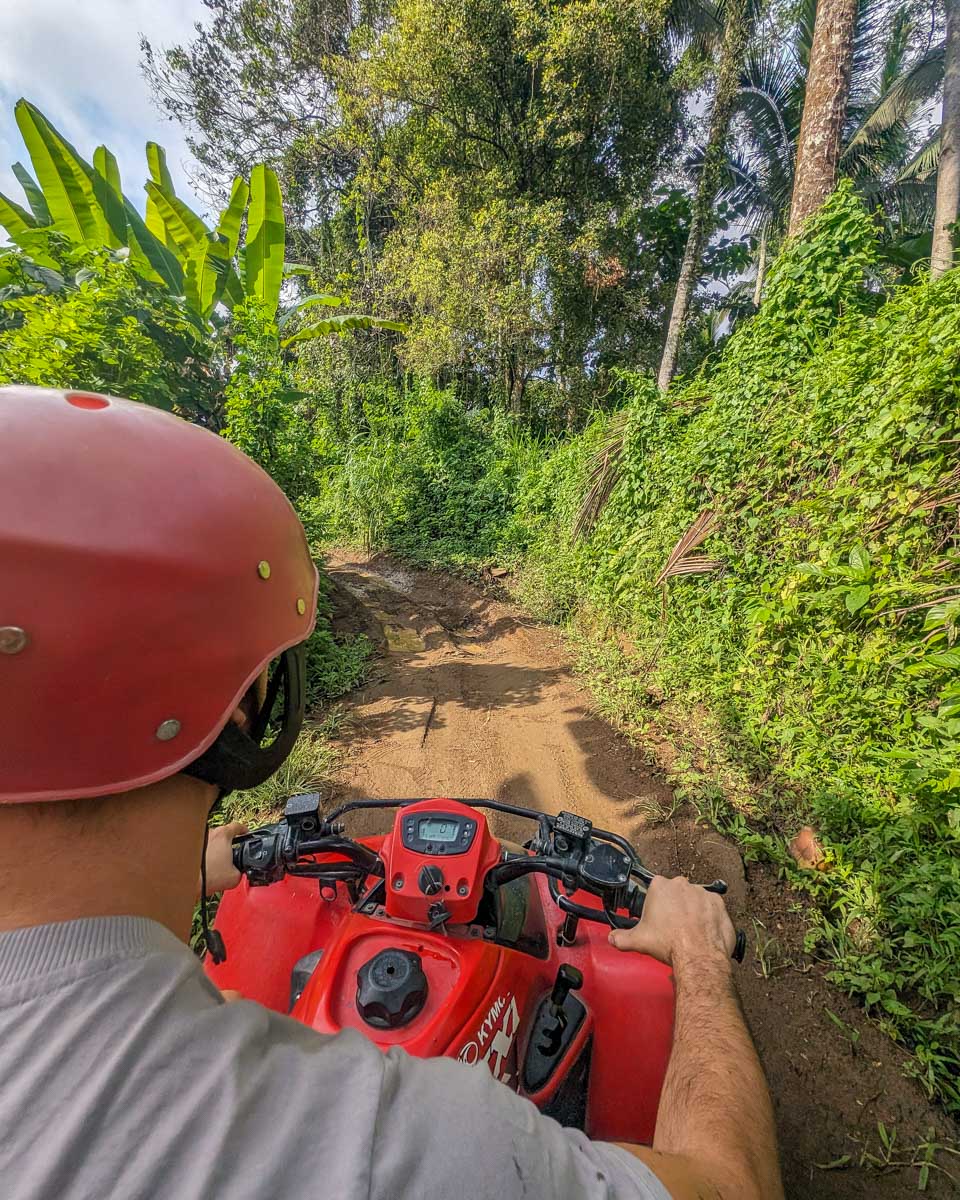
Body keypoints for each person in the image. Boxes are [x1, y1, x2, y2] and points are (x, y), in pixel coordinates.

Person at [0, 385, 784, 1200]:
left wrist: (210, 859)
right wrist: (697, 958)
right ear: (244, 708)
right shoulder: (397, 1147)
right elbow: (735, 1188)